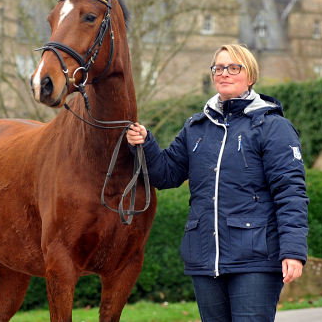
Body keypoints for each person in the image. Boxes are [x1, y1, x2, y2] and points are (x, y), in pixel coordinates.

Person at [127, 43, 308, 322]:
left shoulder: (273, 127)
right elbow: (166, 175)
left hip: (256, 259)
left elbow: (291, 193)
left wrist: (293, 252)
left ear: (250, 77)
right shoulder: (195, 128)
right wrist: (145, 143)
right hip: (204, 259)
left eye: (233, 67)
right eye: (218, 68)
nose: (224, 73)